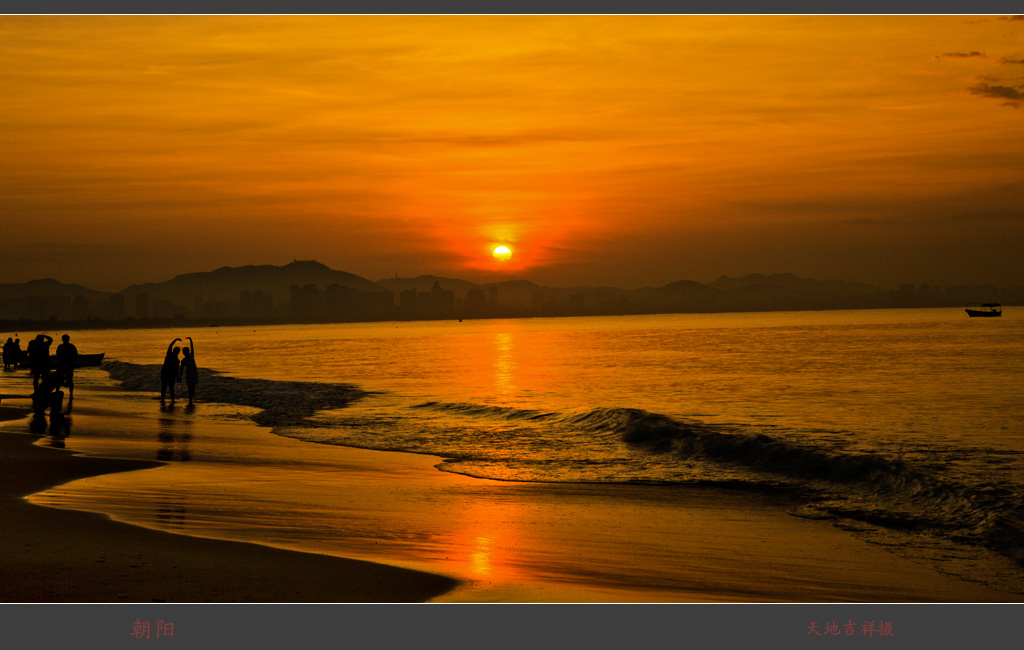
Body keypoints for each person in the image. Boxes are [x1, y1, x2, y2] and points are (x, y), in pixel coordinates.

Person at [55, 334, 78, 401]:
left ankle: (57, 391)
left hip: (62, 365)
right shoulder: (71, 346)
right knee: (70, 379)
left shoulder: (60, 346)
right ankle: (71, 394)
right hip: (69, 365)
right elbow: (75, 355)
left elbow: (58, 355)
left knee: (59, 379)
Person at [160, 338, 182, 403]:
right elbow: (170, 346)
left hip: (171, 375)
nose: (177, 352)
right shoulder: (169, 354)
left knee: (170, 387)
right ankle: (164, 399)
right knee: (165, 387)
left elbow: (177, 369)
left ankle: (171, 400)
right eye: (176, 351)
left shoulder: (177, 359)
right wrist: (175, 340)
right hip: (165, 373)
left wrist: (178, 376)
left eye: (178, 351)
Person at [178, 336, 198, 405]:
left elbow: (192, 348)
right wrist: (180, 377)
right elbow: (181, 369)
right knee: (189, 387)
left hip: (194, 373)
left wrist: (190, 340)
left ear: (188, 351)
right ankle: (190, 399)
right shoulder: (183, 360)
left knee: (193, 387)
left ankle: (191, 399)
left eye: (185, 351)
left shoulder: (191, 355)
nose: (184, 352)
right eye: (183, 352)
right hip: (189, 374)